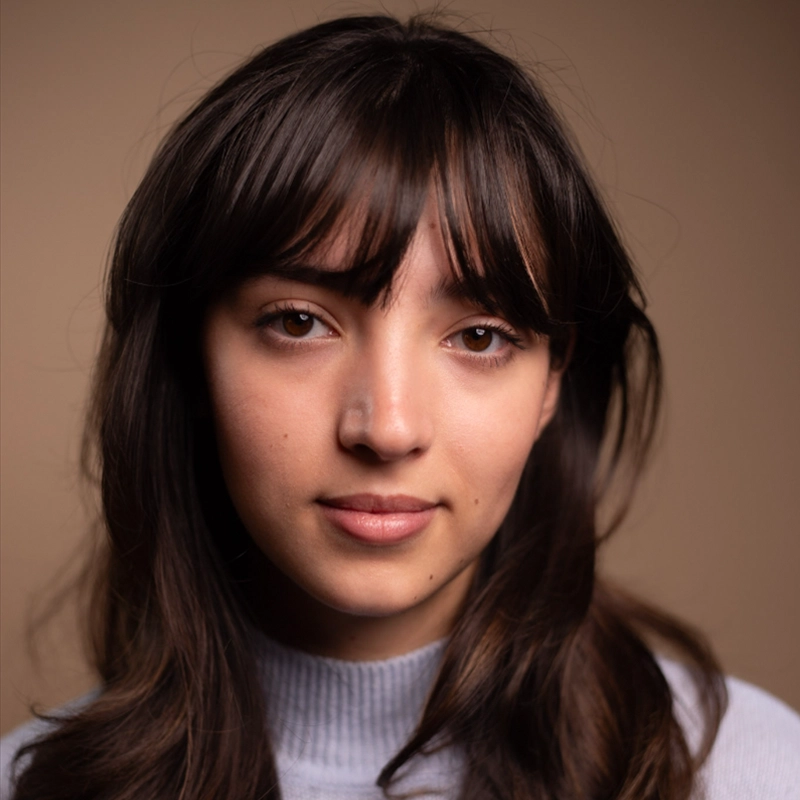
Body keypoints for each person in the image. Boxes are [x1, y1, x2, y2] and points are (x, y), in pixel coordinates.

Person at [1, 13, 798, 800]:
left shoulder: (746, 773)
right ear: (188, 358)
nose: (387, 428)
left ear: (554, 380)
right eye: (299, 323)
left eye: (480, 337)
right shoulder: (30, 785)